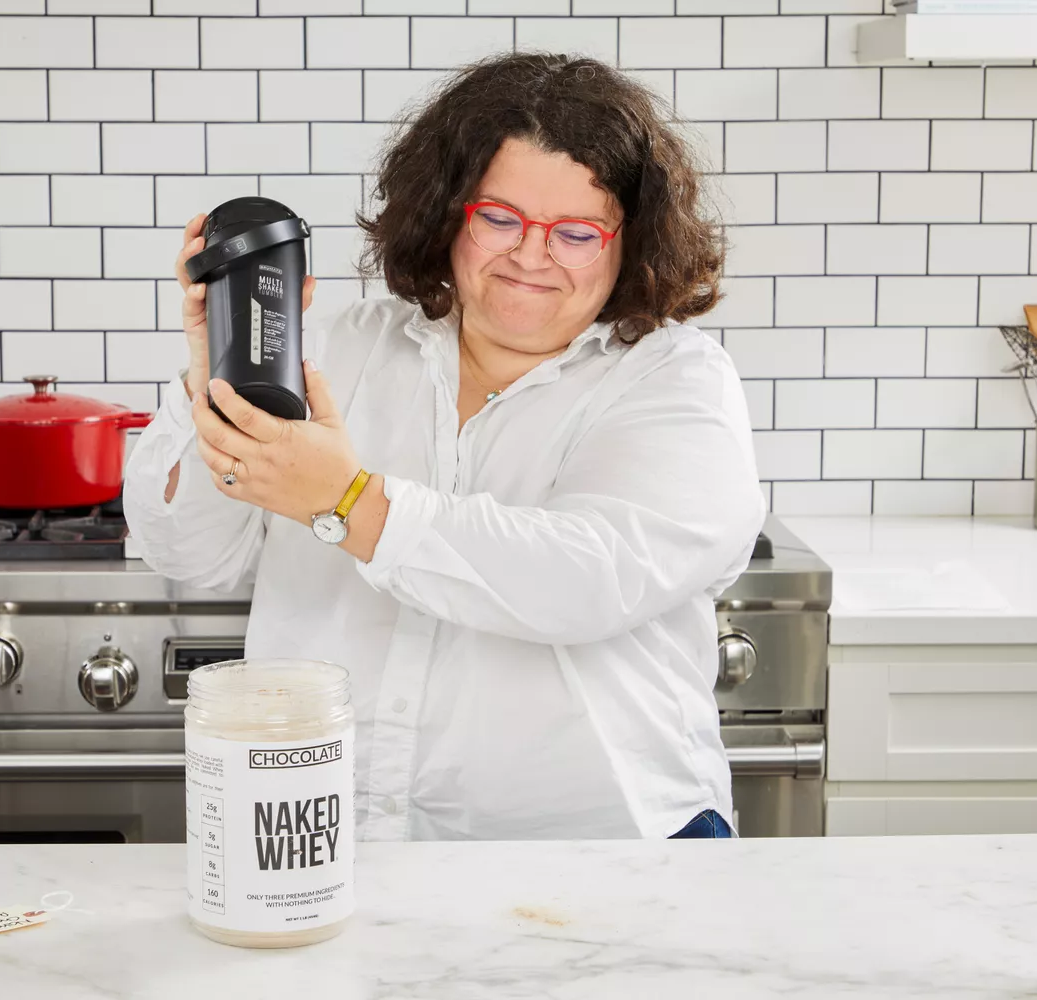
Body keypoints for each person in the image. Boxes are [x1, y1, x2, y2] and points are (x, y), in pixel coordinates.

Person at [122, 52, 764, 842]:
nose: (532, 255)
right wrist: (215, 378)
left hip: (607, 850)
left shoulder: (676, 382)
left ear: (630, 241)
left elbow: (586, 578)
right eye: (499, 218)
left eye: (576, 233)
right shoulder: (330, 351)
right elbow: (187, 554)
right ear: (444, 213)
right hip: (330, 841)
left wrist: (348, 500)